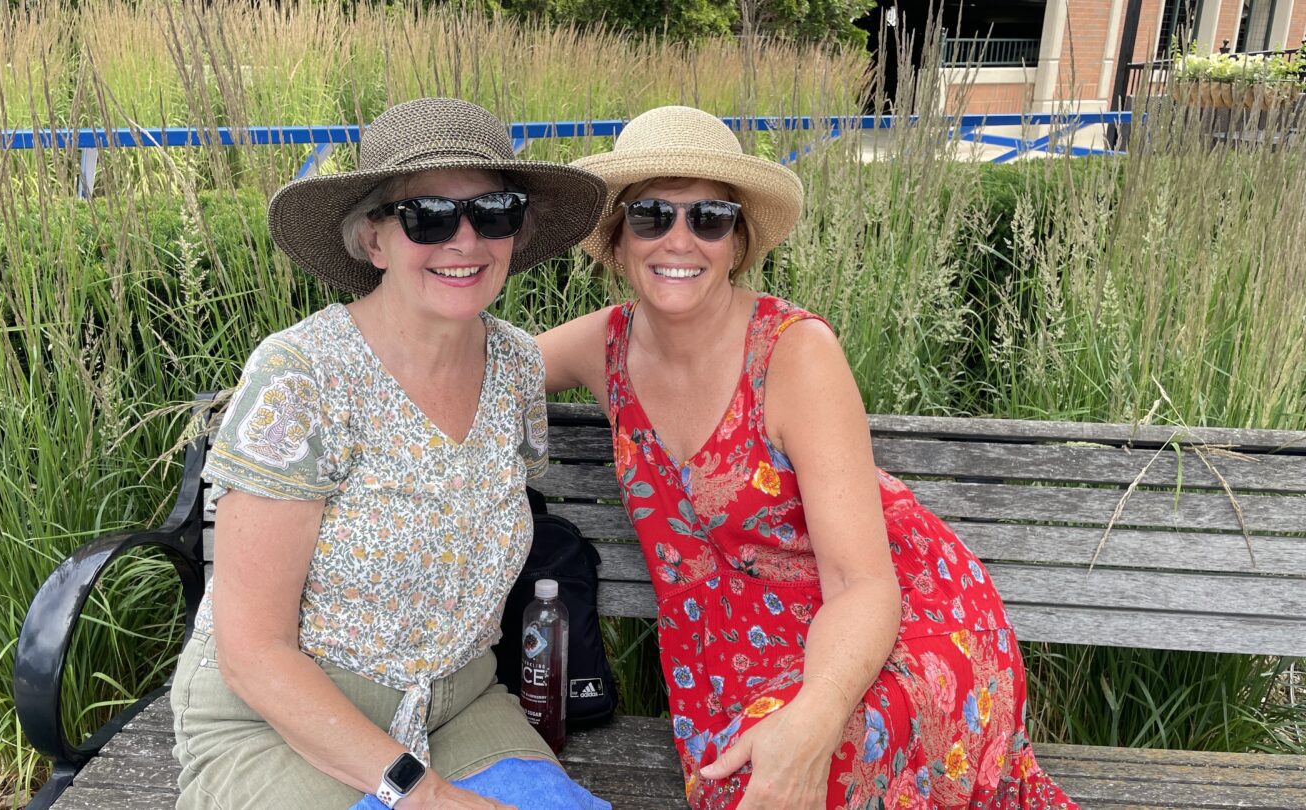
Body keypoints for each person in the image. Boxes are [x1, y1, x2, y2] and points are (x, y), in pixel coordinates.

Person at [537, 106, 1077, 810]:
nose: (680, 239)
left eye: (709, 218)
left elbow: (862, 582)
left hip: (881, 629)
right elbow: (475, 365)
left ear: (737, 240)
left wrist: (816, 716)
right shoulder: (602, 345)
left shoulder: (793, 354)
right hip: (729, 663)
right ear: (616, 237)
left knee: (817, 770)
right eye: (651, 215)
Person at [168, 97, 610, 810]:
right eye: (427, 216)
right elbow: (253, 654)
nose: (463, 241)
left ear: (516, 231)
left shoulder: (519, 368)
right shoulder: (303, 377)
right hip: (286, 721)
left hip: (461, 705)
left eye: (492, 211)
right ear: (374, 240)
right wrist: (426, 795)